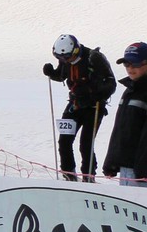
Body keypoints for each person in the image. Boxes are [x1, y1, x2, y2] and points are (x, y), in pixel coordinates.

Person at [41, 34, 116, 181]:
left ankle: (88, 176)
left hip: (94, 106)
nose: (64, 61)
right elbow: (61, 76)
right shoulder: (65, 59)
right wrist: (51, 73)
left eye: (66, 58)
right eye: (60, 58)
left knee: (86, 143)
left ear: (75, 50)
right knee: (64, 140)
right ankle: (68, 174)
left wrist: (96, 93)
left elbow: (111, 83)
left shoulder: (94, 58)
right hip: (74, 105)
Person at [102, 42, 147, 187]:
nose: (130, 69)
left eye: (135, 64)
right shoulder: (130, 90)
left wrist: (143, 170)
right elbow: (121, 129)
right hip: (127, 167)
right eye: (126, 64)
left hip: (142, 172)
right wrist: (111, 161)